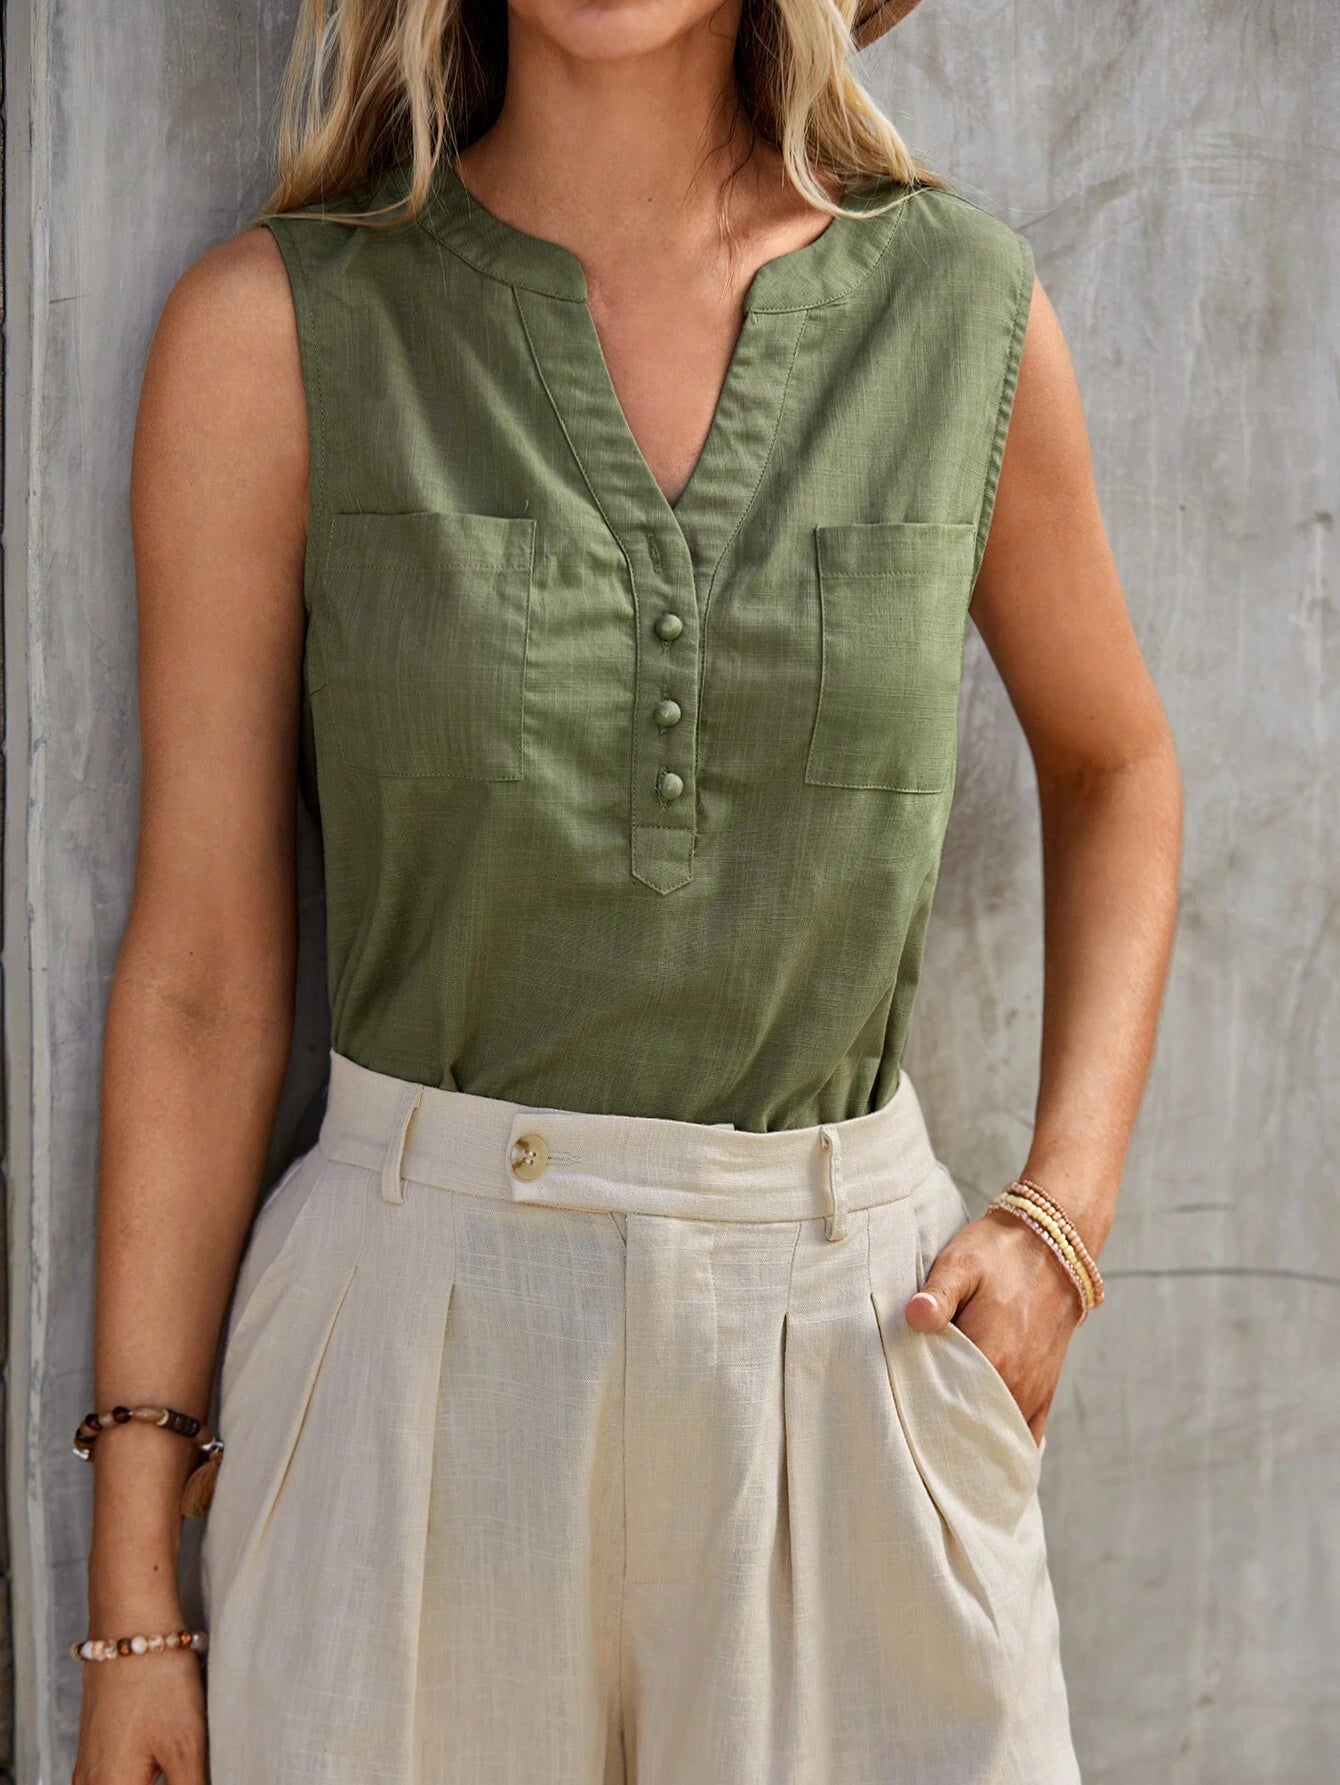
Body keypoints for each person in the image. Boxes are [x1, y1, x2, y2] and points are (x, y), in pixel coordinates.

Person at [71, 0, 1182, 1779]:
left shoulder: (959, 313)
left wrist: (1063, 1217)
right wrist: (134, 1597)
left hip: (850, 1354)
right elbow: (201, 975)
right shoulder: (275, 334)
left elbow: (1117, 762)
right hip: (410, 1366)